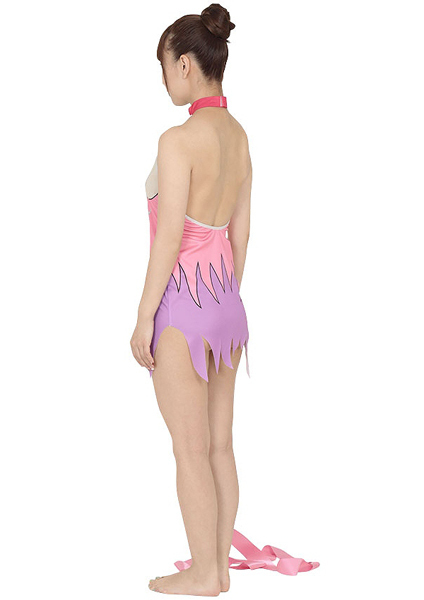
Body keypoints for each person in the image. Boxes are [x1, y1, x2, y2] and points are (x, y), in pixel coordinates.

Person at [130, 4, 319, 596]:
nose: (165, 80)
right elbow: (241, 236)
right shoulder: (239, 137)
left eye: (165, 67)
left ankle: (207, 574)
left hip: (182, 308)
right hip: (227, 306)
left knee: (189, 451)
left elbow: (168, 240)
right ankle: (215, 567)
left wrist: (144, 317)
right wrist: (223, 302)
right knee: (218, 446)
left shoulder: (178, 140)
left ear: (185, 64)